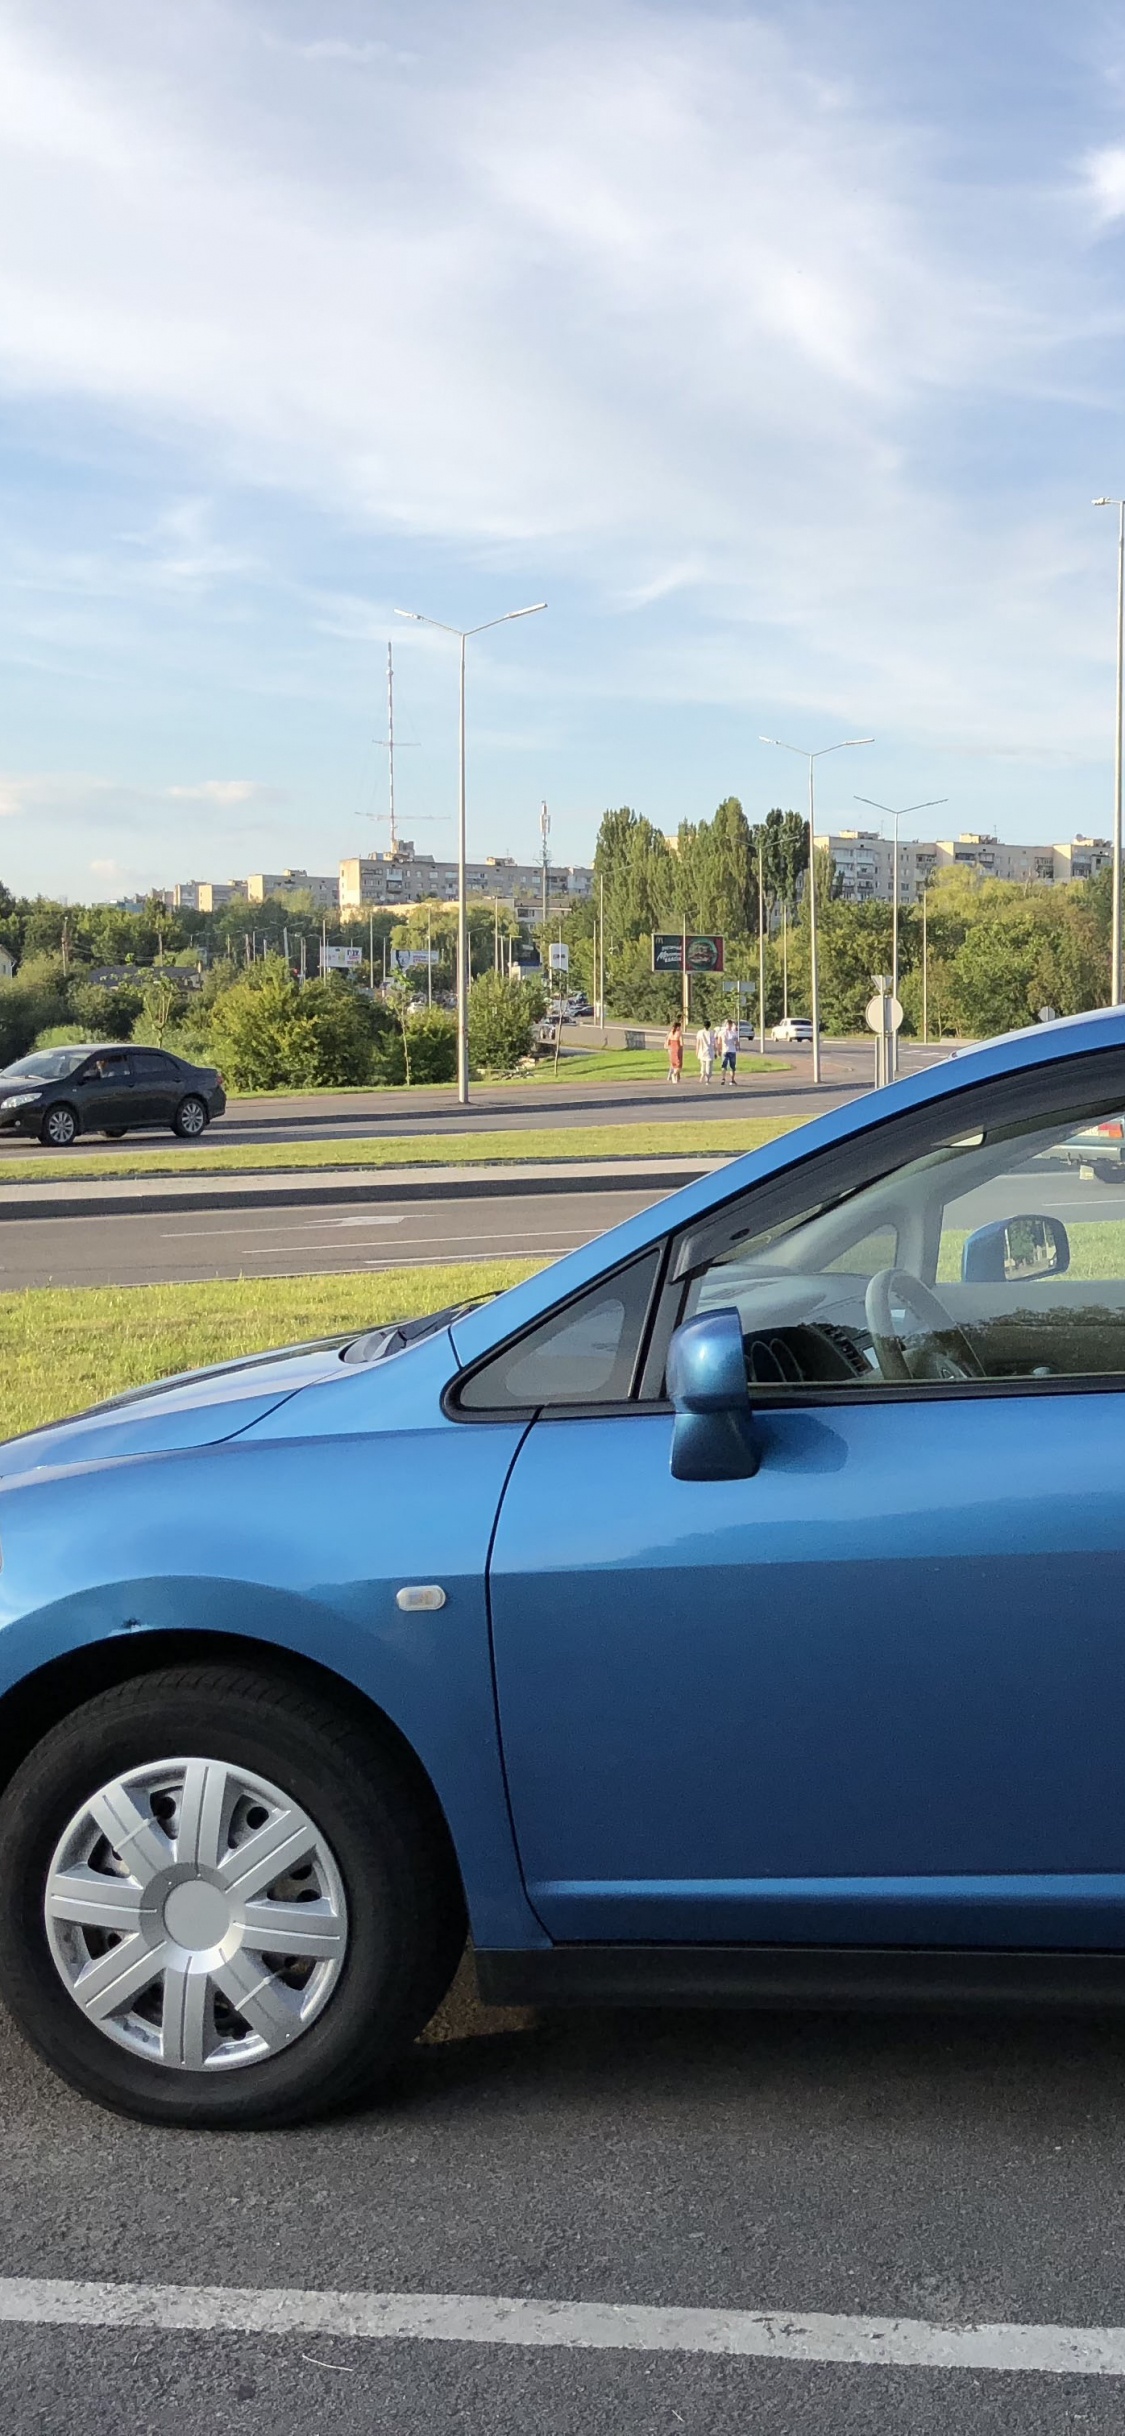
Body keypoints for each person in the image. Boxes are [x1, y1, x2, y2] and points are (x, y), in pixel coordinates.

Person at [719, 1015, 739, 1085]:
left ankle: (731, 1079)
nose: (729, 1026)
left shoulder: (733, 1033)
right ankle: (724, 1078)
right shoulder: (724, 1032)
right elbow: (719, 1041)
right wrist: (719, 1049)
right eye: (728, 1024)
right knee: (725, 1065)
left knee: (731, 1066)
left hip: (731, 1050)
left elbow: (736, 1042)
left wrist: (737, 1045)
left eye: (730, 1024)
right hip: (727, 1050)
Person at [666, 1019, 684, 1084]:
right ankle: (674, 1074)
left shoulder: (670, 1033)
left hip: (672, 1049)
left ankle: (677, 1078)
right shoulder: (679, 1033)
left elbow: (667, 1043)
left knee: (674, 1064)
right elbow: (682, 1043)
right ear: (677, 1027)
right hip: (678, 1049)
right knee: (679, 1065)